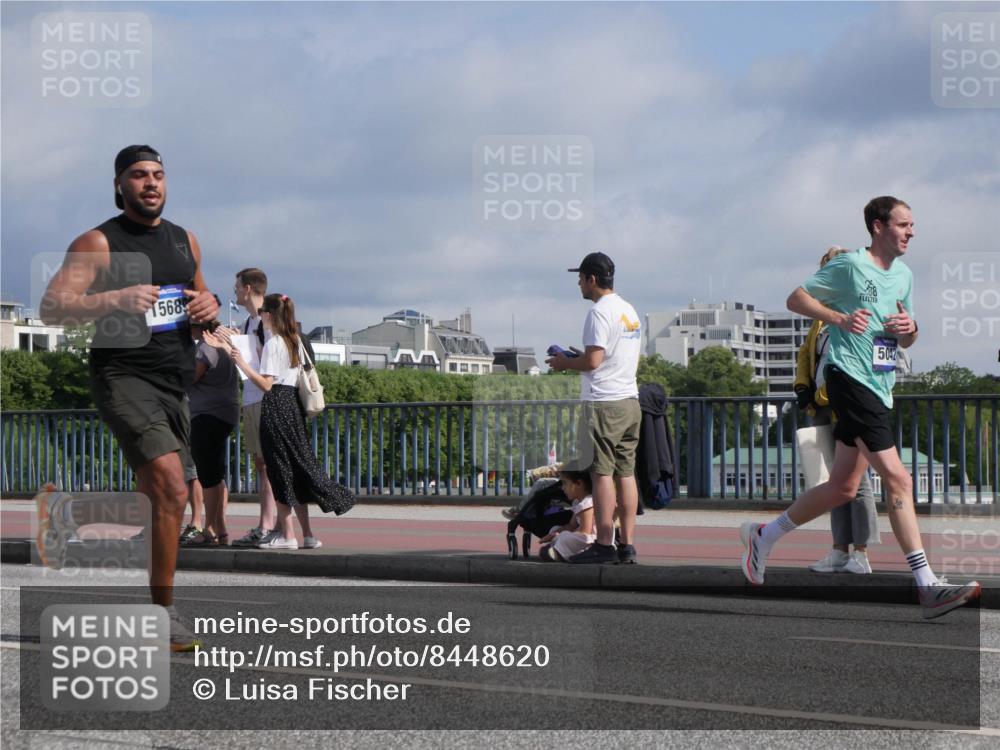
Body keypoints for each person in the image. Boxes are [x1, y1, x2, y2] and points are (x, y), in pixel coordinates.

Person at [740, 197, 980, 619]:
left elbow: (905, 338)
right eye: (904, 224)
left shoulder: (903, 275)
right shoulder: (850, 265)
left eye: (913, 225)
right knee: (899, 479)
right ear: (877, 227)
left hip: (879, 383)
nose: (912, 232)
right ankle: (926, 585)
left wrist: (911, 330)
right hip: (848, 378)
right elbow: (796, 299)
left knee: (843, 488)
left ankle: (764, 535)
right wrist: (837, 317)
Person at [40, 144, 220, 648]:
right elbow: (53, 307)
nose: (151, 183)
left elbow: (201, 303)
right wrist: (114, 298)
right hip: (122, 376)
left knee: (165, 498)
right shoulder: (98, 242)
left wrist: (209, 305)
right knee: (171, 488)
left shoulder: (186, 241)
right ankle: (164, 615)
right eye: (139, 175)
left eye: (159, 175)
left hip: (175, 380)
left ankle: (69, 515)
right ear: (120, 184)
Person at [226, 293, 355, 547]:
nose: (260, 315)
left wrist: (242, 362)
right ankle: (307, 534)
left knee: (279, 470)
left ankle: (288, 535)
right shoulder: (294, 339)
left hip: (275, 406)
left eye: (263, 312)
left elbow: (266, 383)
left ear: (269, 315)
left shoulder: (274, 342)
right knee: (296, 466)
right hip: (293, 406)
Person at [546, 252, 642, 564]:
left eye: (581, 278)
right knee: (625, 474)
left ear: (592, 279)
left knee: (601, 475)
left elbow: (593, 361)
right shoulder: (629, 311)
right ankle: (626, 544)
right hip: (630, 400)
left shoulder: (599, 313)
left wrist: (563, 363)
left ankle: (603, 544)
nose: (578, 284)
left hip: (603, 403)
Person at [795, 247, 880, 575]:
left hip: (850, 407)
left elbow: (860, 365)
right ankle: (839, 549)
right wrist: (803, 387)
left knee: (857, 482)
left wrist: (821, 393)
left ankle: (861, 551)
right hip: (823, 407)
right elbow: (807, 353)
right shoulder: (823, 315)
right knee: (833, 481)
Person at [228, 268, 278, 547]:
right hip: (252, 396)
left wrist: (242, 352)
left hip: (263, 397)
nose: (235, 291)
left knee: (268, 464)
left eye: (237, 287)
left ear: (247, 288)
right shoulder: (250, 322)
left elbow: (271, 364)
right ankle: (268, 523)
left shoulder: (265, 320)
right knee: (262, 464)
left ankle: (270, 524)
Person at [182, 320, 240, 546]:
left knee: (207, 476)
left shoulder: (207, 347)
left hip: (207, 414)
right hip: (226, 411)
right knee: (216, 474)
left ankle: (210, 528)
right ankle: (220, 528)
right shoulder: (225, 340)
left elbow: (190, 377)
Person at [538, 470, 596, 562]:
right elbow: (571, 525)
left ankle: (561, 552)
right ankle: (559, 550)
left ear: (579, 483)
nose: (562, 488)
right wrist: (555, 533)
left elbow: (585, 532)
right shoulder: (577, 502)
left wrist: (561, 535)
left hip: (591, 540)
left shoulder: (587, 503)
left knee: (565, 536)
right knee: (555, 529)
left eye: (565, 483)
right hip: (582, 536)